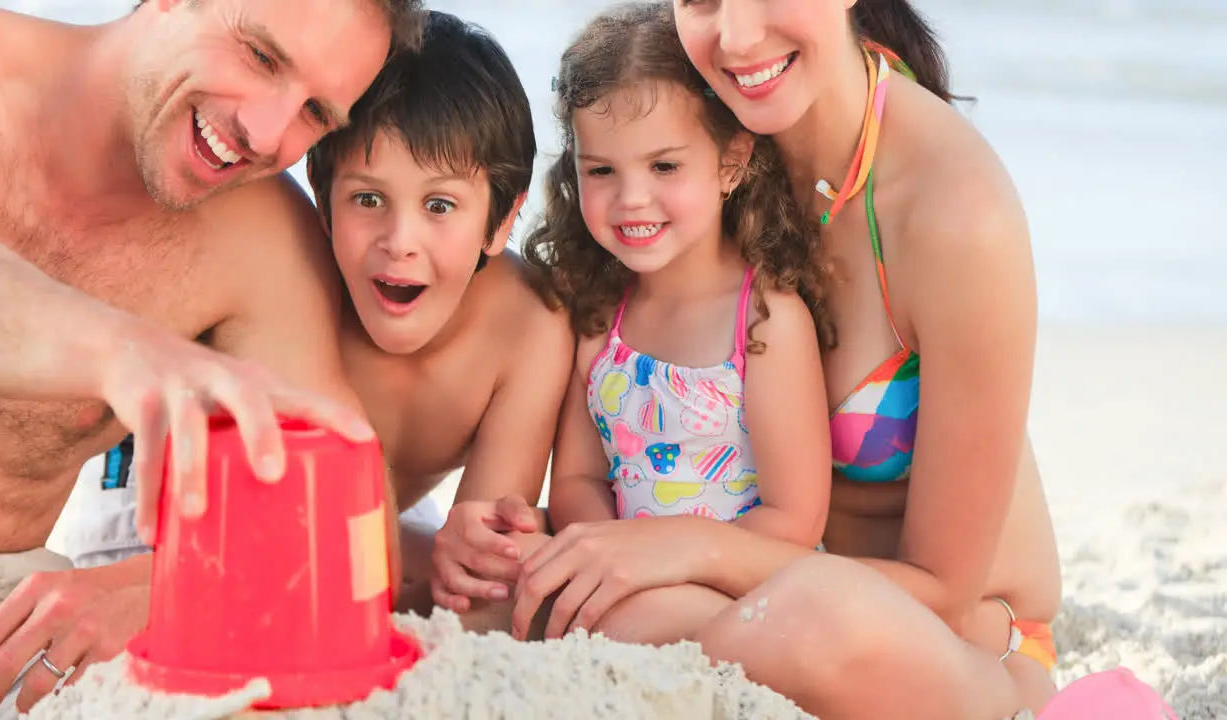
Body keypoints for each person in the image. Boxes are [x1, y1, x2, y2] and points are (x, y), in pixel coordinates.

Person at [506, 1, 1063, 718]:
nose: (736, 38)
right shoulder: (700, 140)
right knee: (526, 576)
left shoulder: (957, 212)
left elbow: (943, 595)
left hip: (955, 645)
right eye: (703, 0)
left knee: (804, 613)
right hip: (739, 598)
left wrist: (678, 550)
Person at [0, 0, 421, 716]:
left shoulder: (259, 241)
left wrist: (168, 591)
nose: (265, 133)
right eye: (260, 56)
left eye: (314, 113)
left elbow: (354, 536)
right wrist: (124, 349)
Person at [55, 9, 575, 623]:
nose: (399, 240)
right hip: (169, 510)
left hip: (376, 525)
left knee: (476, 574)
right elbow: (261, 534)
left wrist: (464, 558)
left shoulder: (530, 327)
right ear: (322, 206)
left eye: (440, 204)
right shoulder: (290, 275)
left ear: (505, 218)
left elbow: (477, 575)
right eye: (368, 198)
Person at [440, 1, 835, 645]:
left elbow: (793, 521)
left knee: (632, 618)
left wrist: (660, 557)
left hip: (739, 583)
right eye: (601, 171)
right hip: (618, 571)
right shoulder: (600, 314)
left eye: (664, 166)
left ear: (731, 162)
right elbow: (576, 480)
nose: (631, 199)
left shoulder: (764, 321)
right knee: (491, 594)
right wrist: (605, 549)